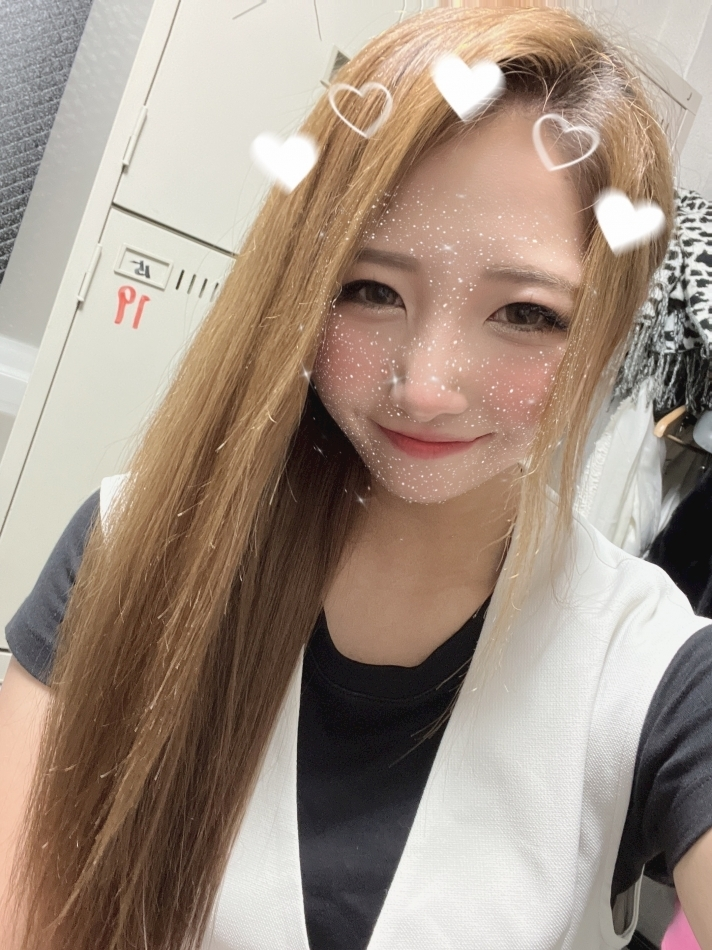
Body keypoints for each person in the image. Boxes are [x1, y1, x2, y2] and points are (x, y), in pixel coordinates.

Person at [1, 6, 711, 950]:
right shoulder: (129, 544)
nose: (424, 387)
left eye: (526, 314)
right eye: (371, 290)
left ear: (606, 332)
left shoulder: (651, 670)